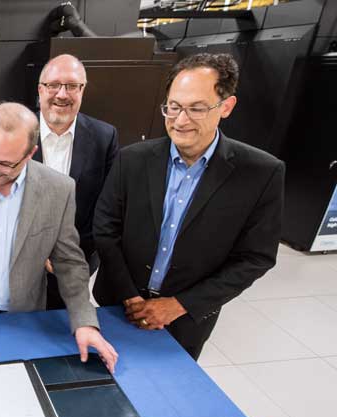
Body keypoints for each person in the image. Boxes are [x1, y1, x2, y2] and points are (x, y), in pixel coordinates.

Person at [93, 53, 284, 359]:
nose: (181, 121)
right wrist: (129, 296)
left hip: (188, 319)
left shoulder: (261, 173)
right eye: (174, 107)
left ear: (226, 106)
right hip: (117, 303)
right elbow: (105, 228)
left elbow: (255, 257)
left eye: (196, 108)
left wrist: (179, 305)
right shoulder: (132, 159)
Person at [0, 102, 118, 375]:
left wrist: (84, 322)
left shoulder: (59, 190)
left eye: (4, 163)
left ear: (30, 154)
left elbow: (70, 263)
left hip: (25, 317)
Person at [33, 54, 119, 309]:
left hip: (77, 260)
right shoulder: (15, 130)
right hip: (19, 261)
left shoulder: (104, 137)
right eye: (53, 85)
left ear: (82, 90)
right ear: (40, 89)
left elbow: (108, 206)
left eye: (72, 86)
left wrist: (72, 255)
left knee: (64, 330)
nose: (62, 94)